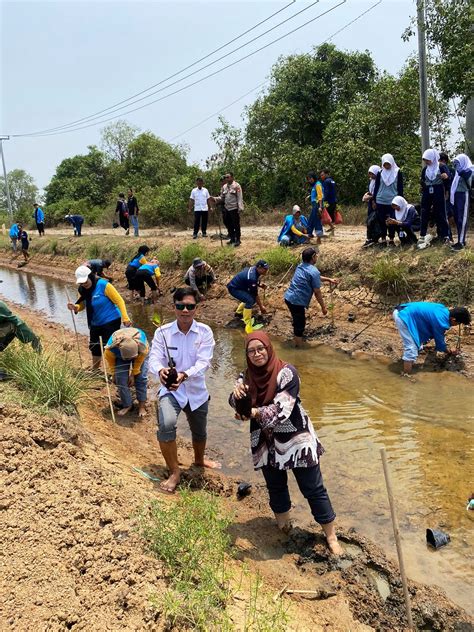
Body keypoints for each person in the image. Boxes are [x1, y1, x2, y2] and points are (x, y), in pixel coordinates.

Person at [229, 332, 343, 555]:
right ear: (247, 354)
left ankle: (331, 535)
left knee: (313, 488)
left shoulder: (287, 373)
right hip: (265, 441)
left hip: (296, 441)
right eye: (251, 351)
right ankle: (284, 526)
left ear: (269, 348)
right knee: (275, 486)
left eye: (260, 348)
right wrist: (236, 400)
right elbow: (235, 401)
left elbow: (281, 410)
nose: (257, 354)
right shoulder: (245, 376)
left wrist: (251, 412)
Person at [148, 287, 220, 493]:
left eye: (190, 306)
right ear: (174, 308)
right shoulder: (162, 332)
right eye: (181, 306)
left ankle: (198, 460)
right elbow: (154, 358)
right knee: (166, 424)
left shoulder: (205, 332)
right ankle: (174, 471)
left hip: (196, 391)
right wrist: (160, 370)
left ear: (196, 308)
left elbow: (204, 362)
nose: (185, 310)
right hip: (171, 391)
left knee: (200, 431)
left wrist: (184, 375)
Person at [67, 265, 131, 370]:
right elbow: (82, 305)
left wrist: (125, 318)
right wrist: (75, 307)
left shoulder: (103, 285)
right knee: (95, 347)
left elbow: (119, 301)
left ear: (90, 276)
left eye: (85, 282)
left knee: (111, 347)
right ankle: (95, 370)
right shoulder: (82, 289)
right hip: (95, 322)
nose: (84, 285)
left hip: (111, 320)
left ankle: (114, 372)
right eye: (81, 283)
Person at [392, 302, 471, 375]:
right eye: (458, 323)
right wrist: (449, 351)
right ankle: (406, 375)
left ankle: (412, 357)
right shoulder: (440, 321)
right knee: (411, 348)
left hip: (406, 311)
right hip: (403, 316)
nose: (456, 325)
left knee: (416, 344)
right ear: (453, 319)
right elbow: (440, 343)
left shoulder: (443, 310)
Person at [284, 247, 338, 347]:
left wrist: (328, 279)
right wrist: (323, 307)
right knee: (300, 325)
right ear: (313, 257)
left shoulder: (301, 266)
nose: (317, 257)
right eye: (316, 255)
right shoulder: (313, 271)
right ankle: (298, 347)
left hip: (288, 297)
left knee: (297, 319)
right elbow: (317, 292)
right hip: (296, 301)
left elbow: (315, 277)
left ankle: (296, 335)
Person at [104, 327, 149, 417]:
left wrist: (133, 374)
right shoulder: (110, 350)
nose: (131, 360)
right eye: (129, 359)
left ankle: (142, 406)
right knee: (120, 379)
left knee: (141, 379)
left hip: (139, 354)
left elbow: (137, 365)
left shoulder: (142, 348)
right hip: (121, 355)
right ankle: (127, 405)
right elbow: (112, 364)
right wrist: (114, 374)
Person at [417, 148, 450, 250]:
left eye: (428, 159)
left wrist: (446, 178)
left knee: (441, 213)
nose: (427, 162)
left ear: (433, 158)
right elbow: (422, 180)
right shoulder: (425, 169)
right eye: (425, 160)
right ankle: (422, 235)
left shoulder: (441, 167)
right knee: (424, 212)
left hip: (438, 191)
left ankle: (446, 236)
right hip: (427, 192)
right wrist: (423, 186)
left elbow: (449, 178)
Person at [373, 154, 404, 247]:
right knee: (381, 220)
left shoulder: (397, 172)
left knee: (391, 221)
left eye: (388, 164)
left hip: (392, 200)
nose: (387, 166)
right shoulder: (380, 172)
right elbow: (377, 186)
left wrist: (400, 200)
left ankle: (391, 238)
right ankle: (383, 238)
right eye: (385, 164)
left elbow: (400, 187)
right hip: (380, 200)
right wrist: (374, 200)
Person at [227, 260, 269, 327]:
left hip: (241, 286)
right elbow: (255, 294)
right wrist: (261, 307)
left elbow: (251, 280)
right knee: (250, 300)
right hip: (234, 288)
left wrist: (260, 285)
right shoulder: (252, 277)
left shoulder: (254, 270)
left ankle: (239, 313)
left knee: (251, 298)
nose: (267, 270)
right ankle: (247, 322)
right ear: (259, 268)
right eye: (265, 269)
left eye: (267, 268)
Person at [210, 172, 244, 247]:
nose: (226, 178)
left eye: (228, 177)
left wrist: (240, 208)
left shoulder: (236, 186)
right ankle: (232, 239)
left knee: (236, 224)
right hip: (226, 209)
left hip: (234, 208)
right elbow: (222, 198)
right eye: (225, 177)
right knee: (228, 224)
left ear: (232, 177)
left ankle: (238, 239)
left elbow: (239, 197)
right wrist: (214, 198)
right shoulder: (224, 187)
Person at [450, 153, 473, 251]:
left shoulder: (470, 169)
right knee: (457, 218)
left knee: (462, 219)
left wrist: (458, 166)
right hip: (456, 196)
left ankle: (461, 242)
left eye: (457, 163)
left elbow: (462, 173)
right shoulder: (456, 175)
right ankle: (460, 240)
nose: (455, 165)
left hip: (464, 195)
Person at [362, 165, 381, 248]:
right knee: (369, 221)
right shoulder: (371, 181)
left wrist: (373, 200)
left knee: (374, 221)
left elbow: (378, 192)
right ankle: (370, 238)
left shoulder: (380, 181)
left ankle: (375, 238)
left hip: (377, 202)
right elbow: (371, 191)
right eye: (369, 174)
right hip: (371, 202)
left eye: (372, 174)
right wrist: (367, 195)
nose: (371, 176)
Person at [306, 172, 323, 244]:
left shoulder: (318, 184)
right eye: (308, 179)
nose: (310, 180)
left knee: (315, 221)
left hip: (317, 205)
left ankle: (317, 238)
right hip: (314, 205)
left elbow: (320, 196)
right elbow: (314, 194)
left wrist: (320, 206)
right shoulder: (314, 185)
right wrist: (309, 196)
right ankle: (310, 237)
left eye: (310, 178)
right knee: (312, 221)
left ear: (314, 178)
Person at [320, 169, 337, 233]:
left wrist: (323, 200)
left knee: (323, 215)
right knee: (330, 217)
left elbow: (326, 192)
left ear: (327, 174)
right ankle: (332, 231)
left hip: (328, 202)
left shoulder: (326, 181)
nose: (321, 176)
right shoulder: (332, 181)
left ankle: (322, 230)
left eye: (322, 175)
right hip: (333, 201)